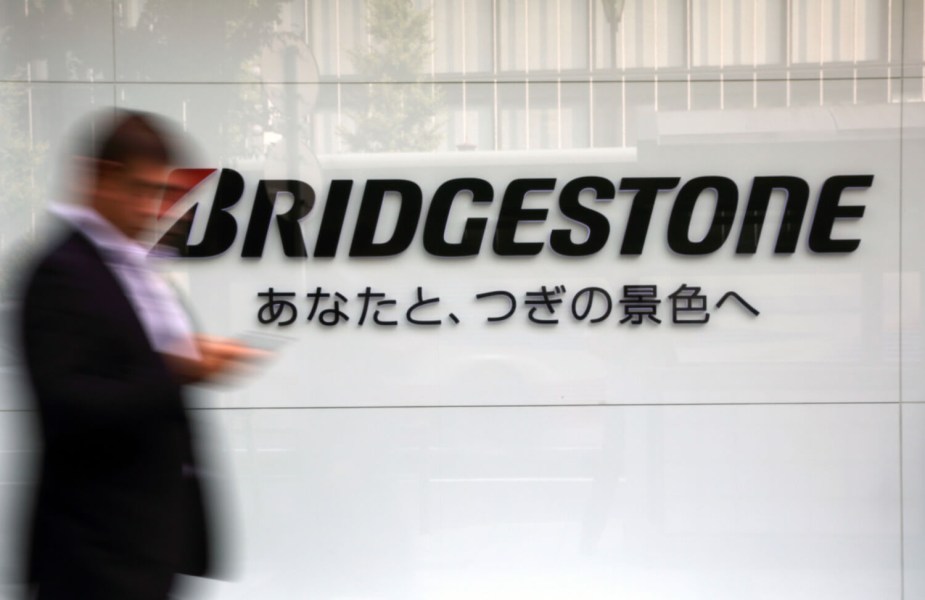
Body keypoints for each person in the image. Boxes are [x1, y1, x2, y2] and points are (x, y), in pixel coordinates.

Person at [17, 109, 256, 599]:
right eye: (145, 190)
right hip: (94, 554)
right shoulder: (61, 272)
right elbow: (69, 402)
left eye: (163, 194)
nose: (154, 210)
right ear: (102, 178)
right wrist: (177, 369)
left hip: (149, 545)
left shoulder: (131, 266)